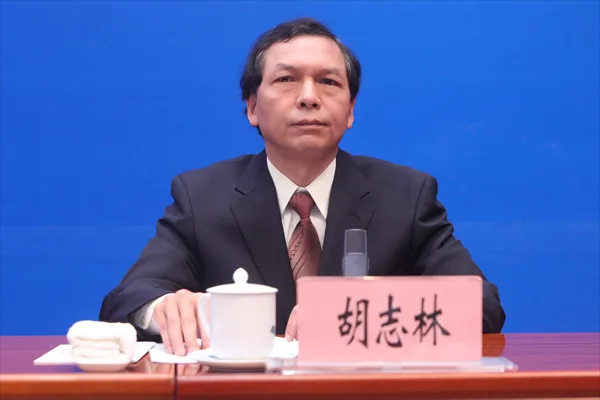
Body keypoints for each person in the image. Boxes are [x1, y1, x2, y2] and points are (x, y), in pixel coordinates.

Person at [99, 17, 506, 356]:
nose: (309, 97)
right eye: (287, 79)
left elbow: (482, 305)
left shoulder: (405, 195)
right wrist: (163, 308)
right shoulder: (202, 196)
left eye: (328, 82)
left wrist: (354, 313)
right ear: (252, 107)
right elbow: (128, 298)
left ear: (350, 110)